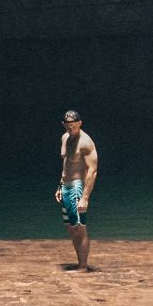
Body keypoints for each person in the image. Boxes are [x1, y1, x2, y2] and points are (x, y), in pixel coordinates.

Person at [54, 110, 98, 270]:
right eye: (67, 126)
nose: (70, 129)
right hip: (65, 186)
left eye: (73, 126)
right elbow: (66, 164)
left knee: (80, 227)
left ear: (80, 123)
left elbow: (92, 170)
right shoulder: (65, 138)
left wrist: (85, 197)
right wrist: (60, 185)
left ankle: (83, 267)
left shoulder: (86, 142)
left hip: (77, 186)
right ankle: (80, 263)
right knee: (71, 228)